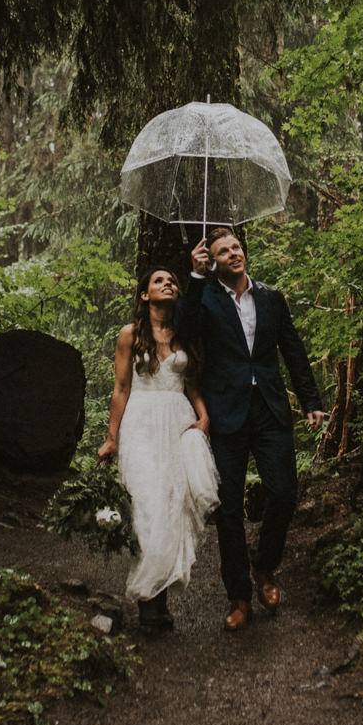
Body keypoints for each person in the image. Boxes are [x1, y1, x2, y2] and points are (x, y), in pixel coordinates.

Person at [178, 227, 327, 632]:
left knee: (283, 493)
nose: (233, 254)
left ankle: (264, 565)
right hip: (226, 413)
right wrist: (193, 278)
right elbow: (184, 334)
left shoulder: (271, 297)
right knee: (228, 511)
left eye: (236, 247)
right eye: (223, 251)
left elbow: (292, 350)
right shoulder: (205, 298)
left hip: (270, 411)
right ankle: (239, 596)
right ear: (213, 261)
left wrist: (311, 401)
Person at [97, 267, 219, 633]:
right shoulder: (129, 335)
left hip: (178, 422)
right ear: (145, 295)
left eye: (173, 281)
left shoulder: (184, 337)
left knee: (172, 505)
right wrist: (112, 437)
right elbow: (121, 388)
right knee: (148, 506)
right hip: (141, 424)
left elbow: (191, 386)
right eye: (158, 281)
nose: (168, 283)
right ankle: (150, 603)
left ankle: (158, 599)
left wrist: (204, 416)